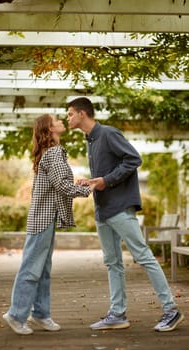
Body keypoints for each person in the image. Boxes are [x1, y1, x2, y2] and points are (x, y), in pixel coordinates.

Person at [67, 97, 184, 332]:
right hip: (103, 211)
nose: (67, 118)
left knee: (143, 256)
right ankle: (117, 314)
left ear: (82, 113)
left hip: (120, 208)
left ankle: (171, 310)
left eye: (70, 113)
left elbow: (133, 159)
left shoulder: (109, 133)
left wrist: (106, 181)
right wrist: (92, 181)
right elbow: (105, 176)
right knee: (113, 263)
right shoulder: (90, 140)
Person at [3, 114, 93, 335]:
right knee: (32, 268)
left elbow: (58, 186)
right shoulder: (53, 153)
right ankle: (16, 315)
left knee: (42, 269)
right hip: (43, 218)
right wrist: (89, 189)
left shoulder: (52, 152)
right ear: (50, 129)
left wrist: (81, 185)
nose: (62, 120)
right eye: (57, 120)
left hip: (45, 217)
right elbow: (63, 185)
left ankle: (41, 314)